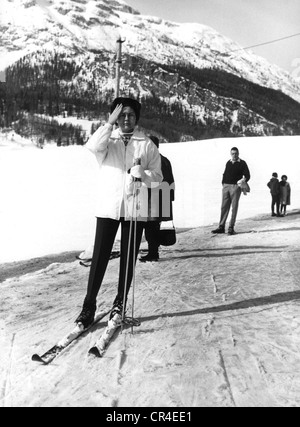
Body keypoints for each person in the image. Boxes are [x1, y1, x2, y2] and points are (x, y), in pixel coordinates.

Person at [75, 98, 163, 329]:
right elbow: (92, 147)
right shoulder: (108, 140)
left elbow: (159, 178)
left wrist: (143, 174)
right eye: (122, 115)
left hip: (135, 209)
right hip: (108, 208)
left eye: (131, 115)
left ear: (137, 118)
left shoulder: (146, 144)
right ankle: (88, 306)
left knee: (128, 258)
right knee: (99, 258)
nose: (126, 119)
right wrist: (108, 124)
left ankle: (120, 303)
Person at [140, 136, 175, 262]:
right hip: (161, 200)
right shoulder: (164, 160)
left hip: (153, 200)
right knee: (154, 227)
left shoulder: (152, 162)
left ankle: (153, 253)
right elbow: (171, 182)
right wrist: (169, 200)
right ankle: (153, 250)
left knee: (150, 227)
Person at [212, 147, 251, 236]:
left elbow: (248, 175)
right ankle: (221, 226)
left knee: (234, 207)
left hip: (235, 187)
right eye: (233, 153)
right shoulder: (228, 162)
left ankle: (231, 227)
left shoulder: (242, 163)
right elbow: (225, 173)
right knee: (224, 206)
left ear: (238, 153)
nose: (234, 155)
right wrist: (223, 182)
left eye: (236, 153)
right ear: (231, 154)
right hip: (226, 186)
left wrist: (243, 181)